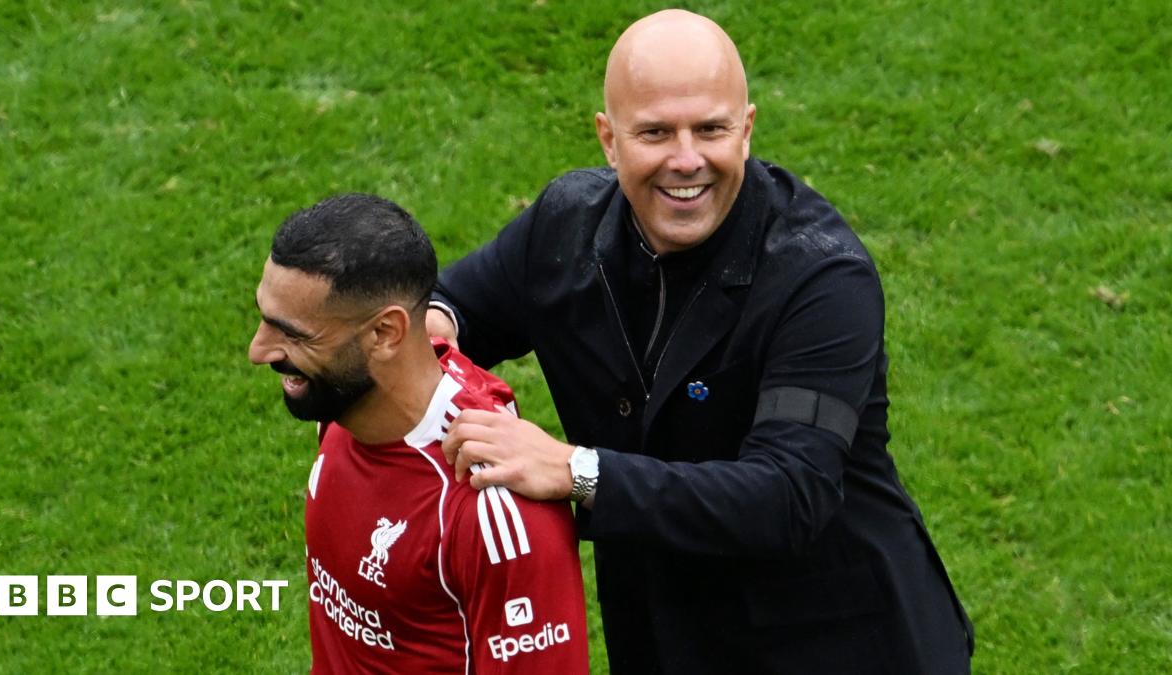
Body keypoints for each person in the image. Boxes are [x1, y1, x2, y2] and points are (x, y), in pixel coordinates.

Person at [428, 9, 974, 675]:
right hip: (668, 640)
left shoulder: (821, 276)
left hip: (839, 642)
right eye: (655, 132)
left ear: (746, 130)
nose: (686, 160)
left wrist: (575, 469)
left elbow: (789, 494)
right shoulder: (564, 228)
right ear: (608, 139)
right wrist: (432, 332)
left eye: (710, 129)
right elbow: (453, 305)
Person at [248, 194, 589, 674]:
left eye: (294, 335)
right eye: (264, 318)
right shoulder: (347, 404)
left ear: (385, 334)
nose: (258, 351)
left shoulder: (489, 505)